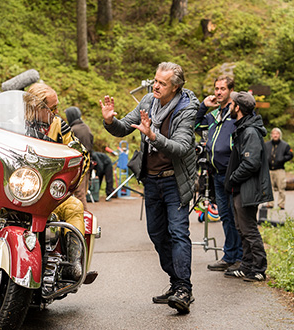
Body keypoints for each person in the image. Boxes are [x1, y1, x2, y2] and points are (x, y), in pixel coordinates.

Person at [100, 62, 198, 314]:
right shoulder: (147, 101)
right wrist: (110, 120)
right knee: (157, 234)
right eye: (155, 80)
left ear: (175, 87)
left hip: (174, 181)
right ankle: (176, 283)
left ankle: (183, 290)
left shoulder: (187, 108)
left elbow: (182, 147)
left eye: (162, 83)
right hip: (152, 180)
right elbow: (124, 127)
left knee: (178, 232)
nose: (155, 85)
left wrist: (153, 136)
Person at [27, 82, 91, 281]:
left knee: (74, 207)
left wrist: (69, 181)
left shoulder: (59, 126)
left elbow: (82, 156)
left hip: (49, 193)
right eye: (52, 108)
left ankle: (73, 263)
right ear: (37, 108)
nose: (56, 112)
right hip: (17, 189)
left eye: (57, 107)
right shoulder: (10, 123)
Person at [195, 75, 243, 272]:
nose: (218, 92)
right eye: (216, 88)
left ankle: (240, 258)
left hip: (234, 174)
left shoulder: (237, 113)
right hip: (216, 174)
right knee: (224, 215)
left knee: (236, 216)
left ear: (230, 90)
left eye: (222, 88)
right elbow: (197, 126)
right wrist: (203, 106)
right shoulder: (214, 115)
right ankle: (229, 255)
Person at [224, 91, 272, 282]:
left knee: (249, 229)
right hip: (241, 188)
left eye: (231, 104)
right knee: (242, 228)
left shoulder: (250, 131)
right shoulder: (244, 128)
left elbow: (251, 163)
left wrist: (232, 178)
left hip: (248, 188)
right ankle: (247, 266)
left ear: (238, 107)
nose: (228, 107)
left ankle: (259, 269)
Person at [64, 106, 94, 210]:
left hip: (78, 166)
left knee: (79, 195)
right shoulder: (85, 127)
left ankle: (84, 220)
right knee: (82, 193)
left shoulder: (73, 130)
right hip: (86, 164)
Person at [264, 128, 293, 209]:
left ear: (280, 135)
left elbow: (290, 155)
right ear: (271, 135)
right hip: (269, 170)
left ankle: (281, 204)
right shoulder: (266, 145)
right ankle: (270, 203)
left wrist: (282, 159)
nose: (275, 135)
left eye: (277, 134)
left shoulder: (285, 145)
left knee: (281, 188)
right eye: (273, 133)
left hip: (280, 169)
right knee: (270, 188)